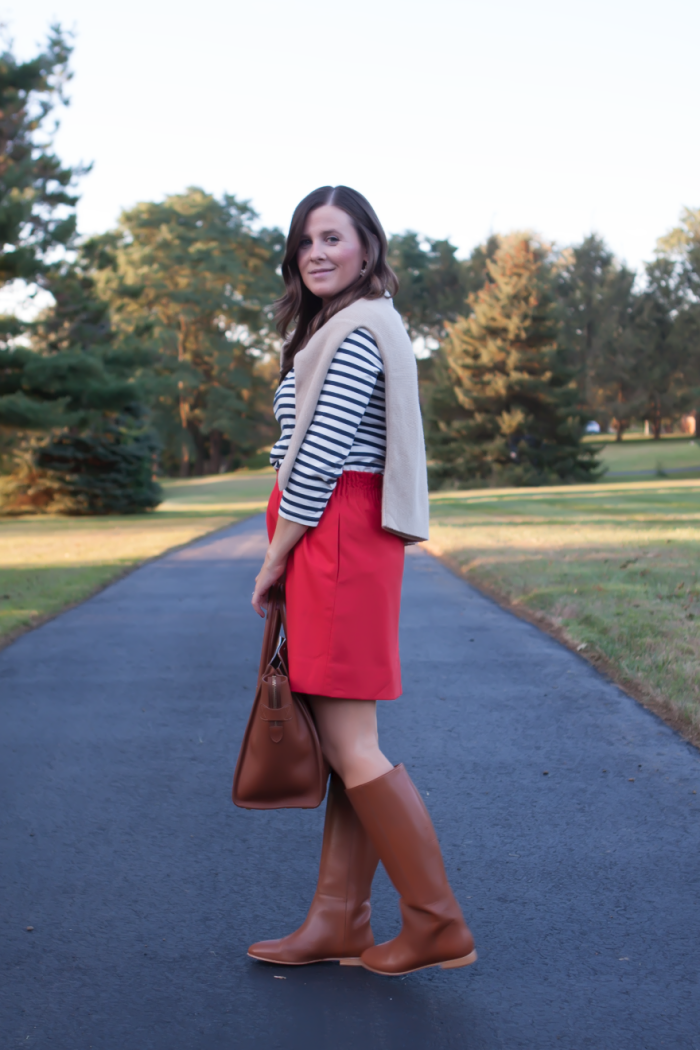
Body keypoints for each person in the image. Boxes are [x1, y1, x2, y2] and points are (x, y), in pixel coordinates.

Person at [248, 186, 476, 977]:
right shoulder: (339, 325)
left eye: (333, 237)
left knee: (352, 742)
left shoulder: (355, 328)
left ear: (367, 247)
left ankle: (437, 923)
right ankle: (340, 920)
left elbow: (319, 458)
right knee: (350, 743)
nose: (316, 251)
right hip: (335, 535)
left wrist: (277, 553)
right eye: (305, 238)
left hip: (333, 534)